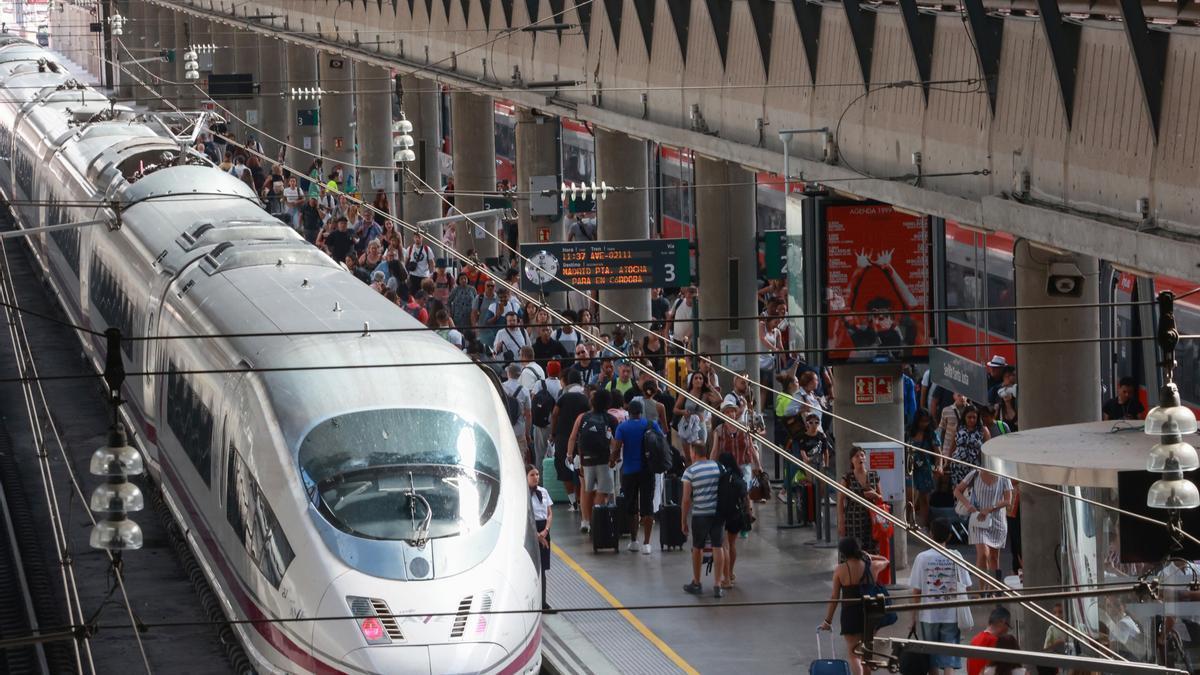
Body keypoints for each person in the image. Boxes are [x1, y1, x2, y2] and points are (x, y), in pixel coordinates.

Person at [909, 518, 973, 675]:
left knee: (932, 659)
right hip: (951, 615)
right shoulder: (956, 556)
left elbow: (916, 591)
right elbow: (967, 585)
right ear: (950, 536)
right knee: (948, 660)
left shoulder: (922, 558)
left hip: (928, 615)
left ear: (930, 534)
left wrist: (913, 618)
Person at [820, 537, 891, 675]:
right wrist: (869, 555)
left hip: (850, 613)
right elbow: (886, 561)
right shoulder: (872, 566)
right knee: (867, 654)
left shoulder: (840, 570)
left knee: (853, 654)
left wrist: (827, 620)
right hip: (870, 613)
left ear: (843, 553)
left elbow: (835, 597)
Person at [609, 399, 662, 554]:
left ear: (629, 413)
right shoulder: (651, 425)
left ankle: (634, 541)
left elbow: (617, 448)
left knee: (632, 507)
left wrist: (612, 461)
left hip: (630, 472)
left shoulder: (623, 427)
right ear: (641, 412)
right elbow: (660, 442)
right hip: (648, 470)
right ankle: (647, 543)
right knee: (648, 506)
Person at [568, 388, 618, 530]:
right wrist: (615, 456)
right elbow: (616, 441)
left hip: (585, 459)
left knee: (586, 490)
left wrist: (569, 454)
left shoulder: (582, 417)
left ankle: (585, 521)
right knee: (602, 490)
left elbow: (573, 437)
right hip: (604, 460)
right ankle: (597, 518)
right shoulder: (611, 419)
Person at [955, 468, 1013, 586]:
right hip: (978, 519)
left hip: (997, 521)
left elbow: (1008, 500)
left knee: (994, 558)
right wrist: (968, 504)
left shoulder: (1003, 476)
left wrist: (990, 508)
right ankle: (982, 590)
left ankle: (993, 589)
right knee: (983, 554)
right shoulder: (974, 473)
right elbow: (957, 491)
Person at [681, 440, 725, 597]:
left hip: (700, 514)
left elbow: (686, 499)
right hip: (717, 514)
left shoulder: (690, 471)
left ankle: (697, 582)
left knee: (697, 548)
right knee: (717, 546)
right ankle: (718, 585)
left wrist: (683, 520)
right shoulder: (717, 467)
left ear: (693, 452)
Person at [552, 370, 590, 522]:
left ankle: (573, 502)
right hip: (581, 437)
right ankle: (581, 501)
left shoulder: (563, 396)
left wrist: (553, 432)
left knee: (563, 467)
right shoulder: (585, 397)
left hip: (563, 436)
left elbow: (555, 414)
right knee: (580, 470)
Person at [717, 451, 751, 590]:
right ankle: (730, 573)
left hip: (722, 514)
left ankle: (726, 579)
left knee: (723, 546)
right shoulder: (739, 477)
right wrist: (748, 512)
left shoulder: (721, 477)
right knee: (732, 545)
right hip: (737, 515)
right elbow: (746, 498)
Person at [838, 446, 881, 552]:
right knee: (854, 551)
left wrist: (875, 495)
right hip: (853, 521)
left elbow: (881, 498)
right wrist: (841, 522)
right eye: (856, 456)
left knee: (871, 550)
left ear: (865, 458)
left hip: (871, 520)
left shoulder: (873, 475)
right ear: (852, 460)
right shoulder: (847, 477)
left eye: (862, 455)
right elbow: (840, 500)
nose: (860, 458)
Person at [527, 465, 553, 610]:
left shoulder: (543, 491)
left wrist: (545, 531)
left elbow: (549, 513)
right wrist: (536, 535)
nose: (536, 477)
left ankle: (543, 602)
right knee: (530, 568)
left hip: (544, 530)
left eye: (537, 474)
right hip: (531, 529)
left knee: (542, 569)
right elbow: (526, 516)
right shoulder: (522, 494)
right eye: (532, 475)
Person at [946, 405, 991, 488]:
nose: (972, 420)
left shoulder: (983, 430)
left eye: (974, 417)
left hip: (974, 467)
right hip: (958, 466)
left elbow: (989, 450)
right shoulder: (958, 427)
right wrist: (947, 462)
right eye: (969, 417)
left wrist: (988, 467)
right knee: (958, 491)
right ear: (964, 417)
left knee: (973, 491)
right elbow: (952, 446)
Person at [907, 409, 936, 527]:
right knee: (910, 496)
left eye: (927, 421)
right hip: (910, 467)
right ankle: (907, 521)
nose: (924, 424)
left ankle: (924, 525)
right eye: (922, 421)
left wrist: (938, 465)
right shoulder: (908, 433)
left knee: (924, 499)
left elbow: (937, 452)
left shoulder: (931, 434)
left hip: (925, 468)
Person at [966, 606, 1012, 675]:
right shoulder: (995, 641)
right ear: (1002, 622)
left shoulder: (976, 638)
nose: (1008, 630)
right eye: (1008, 625)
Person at [503, 364, 533, 463]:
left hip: (504, 429)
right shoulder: (524, 390)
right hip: (519, 430)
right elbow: (528, 414)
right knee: (520, 460)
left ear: (508, 373)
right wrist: (528, 433)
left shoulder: (502, 387)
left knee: (505, 458)